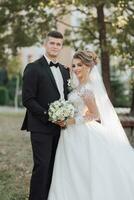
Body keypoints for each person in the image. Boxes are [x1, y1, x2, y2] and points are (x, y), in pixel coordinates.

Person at [48, 50, 134, 200]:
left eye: (79, 65)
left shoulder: (88, 90)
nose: (75, 69)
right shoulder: (77, 85)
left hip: (82, 131)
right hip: (69, 132)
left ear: (88, 66)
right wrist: (63, 115)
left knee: (83, 169)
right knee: (70, 168)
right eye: (74, 65)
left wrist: (72, 121)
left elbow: (95, 115)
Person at [21, 31, 70, 200]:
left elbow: (66, 97)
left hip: (62, 128)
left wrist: (65, 116)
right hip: (41, 126)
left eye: (58, 44)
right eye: (52, 43)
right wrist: (48, 115)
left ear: (61, 47)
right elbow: (27, 99)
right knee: (42, 167)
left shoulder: (64, 70)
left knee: (55, 168)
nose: (55, 46)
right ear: (45, 44)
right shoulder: (33, 68)